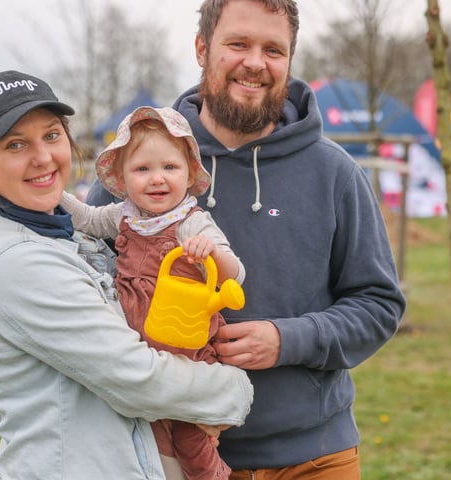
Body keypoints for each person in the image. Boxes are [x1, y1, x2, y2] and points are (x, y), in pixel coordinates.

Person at [86, 1, 407, 478]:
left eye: (273, 49)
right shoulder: (143, 162)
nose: (255, 62)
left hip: (313, 457)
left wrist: (288, 339)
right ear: (202, 49)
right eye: (238, 44)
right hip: (166, 455)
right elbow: (75, 276)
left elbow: (379, 304)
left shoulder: (334, 172)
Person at [0, 69, 253, 479]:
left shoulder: (55, 228)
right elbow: (136, 379)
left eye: (52, 135)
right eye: (15, 144)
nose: (42, 157)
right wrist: (234, 391)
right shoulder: (18, 260)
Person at [60, 105, 245, 480]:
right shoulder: (124, 216)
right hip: (140, 353)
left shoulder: (191, 222)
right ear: (123, 178)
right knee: (153, 443)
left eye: (169, 168)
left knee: (193, 439)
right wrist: (53, 193)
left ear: (189, 173)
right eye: (142, 169)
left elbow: (235, 274)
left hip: (186, 354)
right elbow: (87, 220)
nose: (157, 179)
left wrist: (209, 252)